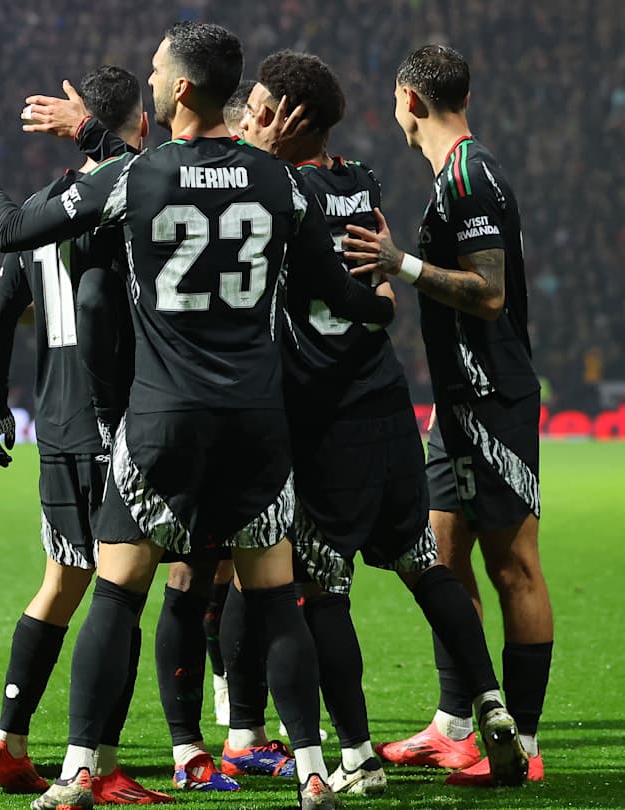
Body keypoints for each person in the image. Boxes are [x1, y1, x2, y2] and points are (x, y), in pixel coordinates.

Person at [0, 21, 396, 810]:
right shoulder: (282, 183)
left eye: (158, 70)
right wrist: (386, 293)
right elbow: (338, 294)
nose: (151, 80)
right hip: (257, 424)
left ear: (183, 87)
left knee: (117, 594)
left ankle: (78, 771)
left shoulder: (138, 176)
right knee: (274, 597)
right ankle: (312, 770)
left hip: (162, 420)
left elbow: (14, 230)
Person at [227, 49, 526, 794]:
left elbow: (235, 185)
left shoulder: (275, 192)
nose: (248, 122)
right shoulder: (361, 181)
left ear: (287, 119)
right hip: (387, 402)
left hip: (323, 418)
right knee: (425, 565)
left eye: (259, 111)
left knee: (323, 590)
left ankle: (357, 757)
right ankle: (490, 704)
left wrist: (260, 155)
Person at [343, 44, 553, 787]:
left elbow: (489, 294)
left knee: (513, 566)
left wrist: (398, 263)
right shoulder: (452, 178)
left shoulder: (470, 177)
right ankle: (455, 726)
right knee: (437, 554)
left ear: (410, 99)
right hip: (459, 401)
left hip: (495, 397)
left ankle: (524, 745)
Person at [0, 65, 173, 805]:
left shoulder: (38, 207)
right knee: (124, 588)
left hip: (53, 423)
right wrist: (114, 409)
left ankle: (8, 743)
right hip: (112, 417)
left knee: (62, 582)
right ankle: (102, 764)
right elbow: (95, 303)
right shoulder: (133, 197)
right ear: (142, 126)